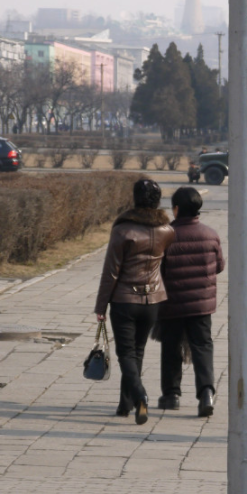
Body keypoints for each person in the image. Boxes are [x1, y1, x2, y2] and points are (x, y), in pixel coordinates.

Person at [94, 179, 175, 425]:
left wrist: (101, 306)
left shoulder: (123, 230)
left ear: (135, 198)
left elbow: (111, 272)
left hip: (125, 299)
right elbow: (167, 266)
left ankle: (140, 395)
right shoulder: (167, 230)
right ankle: (125, 404)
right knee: (137, 351)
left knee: (126, 353)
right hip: (153, 300)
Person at [158, 187, 225, 418]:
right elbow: (219, 266)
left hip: (172, 303)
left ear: (176, 209)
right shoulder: (210, 234)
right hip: (201, 305)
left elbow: (159, 270)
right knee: (202, 346)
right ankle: (206, 392)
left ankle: (171, 395)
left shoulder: (165, 235)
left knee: (171, 347)